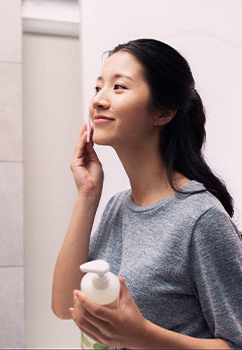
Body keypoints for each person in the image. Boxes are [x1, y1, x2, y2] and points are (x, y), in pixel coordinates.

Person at [51, 38, 242, 349]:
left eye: (119, 87)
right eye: (98, 87)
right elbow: (64, 307)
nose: (99, 99)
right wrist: (87, 195)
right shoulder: (116, 207)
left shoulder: (201, 218)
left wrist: (142, 335)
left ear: (163, 112)